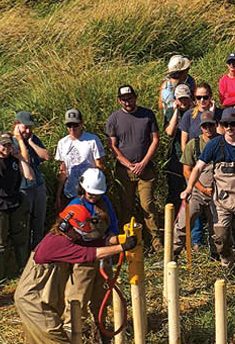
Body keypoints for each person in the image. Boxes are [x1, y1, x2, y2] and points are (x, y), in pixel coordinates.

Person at [14, 203, 137, 344]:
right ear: (71, 228)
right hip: (35, 303)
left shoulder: (62, 237)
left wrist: (119, 239)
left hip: (35, 300)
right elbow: (89, 254)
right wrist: (121, 248)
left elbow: (92, 244)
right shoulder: (56, 244)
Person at [180, 108, 235, 268]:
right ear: (221, 125)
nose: (230, 127)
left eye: (233, 124)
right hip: (221, 203)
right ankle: (226, 262)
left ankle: (234, 265)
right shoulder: (215, 145)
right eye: (226, 124)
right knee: (221, 238)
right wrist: (189, 188)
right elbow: (196, 168)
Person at [64, 168, 120, 340]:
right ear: (83, 188)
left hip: (103, 257)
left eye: (97, 194)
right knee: (77, 298)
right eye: (91, 193)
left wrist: (117, 240)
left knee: (102, 297)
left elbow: (113, 226)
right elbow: (66, 237)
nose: (94, 197)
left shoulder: (105, 202)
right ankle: (71, 335)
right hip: (83, 260)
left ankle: (100, 330)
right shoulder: (74, 206)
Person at [106, 85, 160, 250]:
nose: (127, 102)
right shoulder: (114, 119)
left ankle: (157, 243)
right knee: (126, 206)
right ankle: (128, 242)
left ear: (135, 97)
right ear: (119, 100)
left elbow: (155, 139)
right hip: (124, 171)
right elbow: (112, 146)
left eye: (130, 98)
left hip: (146, 169)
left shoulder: (147, 115)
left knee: (147, 205)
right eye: (124, 99)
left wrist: (143, 162)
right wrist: (128, 164)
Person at [0, 132, 36, 283]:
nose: (6, 148)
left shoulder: (15, 160)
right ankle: (0, 277)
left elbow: (30, 176)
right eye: (3, 145)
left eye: (9, 144)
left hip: (16, 202)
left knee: (20, 239)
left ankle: (23, 272)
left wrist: (20, 158)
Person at [173, 110, 219, 259]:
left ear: (216, 125)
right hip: (198, 192)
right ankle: (172, 254)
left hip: (218, 195)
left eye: (211, 125)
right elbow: (186, 171)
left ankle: (216, 256)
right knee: (183, 224)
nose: (208, 129)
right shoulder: (193, 144)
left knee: (217, 228)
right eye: (205, 126)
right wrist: (203, 189)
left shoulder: (223, 142)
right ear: (201, 128)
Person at [55, 108, 106, 211]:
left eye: (75, 125)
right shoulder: (62, 143)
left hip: (89, 193)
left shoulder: (92, 140)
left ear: (82, 123)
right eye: (69, 126)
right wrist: (58, 195)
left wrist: (98, 190)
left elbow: (99, 166)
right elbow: (63, 170)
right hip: (70, 192)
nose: (72, 129)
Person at [14, 111, 51, 251]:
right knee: (25, 223)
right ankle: (23, 255)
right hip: (23, 188)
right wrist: (19, 140)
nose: (28, 130)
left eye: (30, 127)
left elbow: (46, 156)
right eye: (25, 127)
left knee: (39, 222)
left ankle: (37, 251)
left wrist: (31, 143)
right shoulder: (11, 142)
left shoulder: (33, 139)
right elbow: (26, 160)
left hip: (38, 186)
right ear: (17, 126)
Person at [163, 83, 194, 217]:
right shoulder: (170, 112)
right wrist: (176, 112)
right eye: (180, 99)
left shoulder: (196, 112)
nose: (183, 102)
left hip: (192, 158)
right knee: (175, 190)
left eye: (185, 98)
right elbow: (169, 132)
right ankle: (173, 220)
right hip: (176, 156)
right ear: (175, 99)